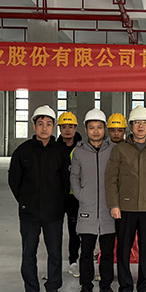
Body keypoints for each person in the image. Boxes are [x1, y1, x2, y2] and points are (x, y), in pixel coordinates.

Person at [8, 105, 70, 292]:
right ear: (34, 126)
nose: (44, 128)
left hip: (53, 213)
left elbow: (66, 181)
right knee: (28, 253)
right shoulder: (23, 151)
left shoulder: (60, 151)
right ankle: (31, 290)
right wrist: (25, 201)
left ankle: (53, 288)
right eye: (40, 123)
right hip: (30, 214)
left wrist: (59, 203)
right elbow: (14, 180)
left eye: (49, 124)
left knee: (55, 253)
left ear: (53, 127)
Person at [105, 105, 146, 292]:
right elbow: (111, 179)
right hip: (125, 209)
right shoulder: (120, 149)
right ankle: (125, 290)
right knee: (123, 251)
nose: (140, 126)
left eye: (144, 123)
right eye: (136, 122)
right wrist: (114, 205)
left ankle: (144, 289)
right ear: (131, 126)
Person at [70, 108, 116, 292]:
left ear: (104, 129)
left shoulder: (113, 149)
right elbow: (74, 176)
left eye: (99, 127)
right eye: (91, 127)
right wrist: (81, 195)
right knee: (86, 251)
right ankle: (86, 286)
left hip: (108, 208)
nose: (95, 131)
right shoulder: (79, 151)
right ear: (86, 129)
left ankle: (106, 285)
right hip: (87, 208)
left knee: (107, 251)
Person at [57, 111, 82, 279]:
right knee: (54, 232)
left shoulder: (82, 149)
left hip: (75, 197)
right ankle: (55, 264)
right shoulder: (54, 148)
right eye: (64, 126)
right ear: (59, 128)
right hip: (57, 196)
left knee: (75, 231)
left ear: (75, 128)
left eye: (70, 126)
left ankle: (73, 261)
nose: (67, 130)